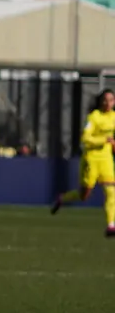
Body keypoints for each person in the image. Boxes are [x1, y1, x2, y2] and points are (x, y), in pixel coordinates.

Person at [52, 88, 115, 236]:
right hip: (91, 159)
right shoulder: (93, 117)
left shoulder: (113, 117)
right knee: (84, 195)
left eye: (111, 100)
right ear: (100, 101)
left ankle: (111, 225)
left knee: (111, 191)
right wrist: (104, 140)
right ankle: (62, 198)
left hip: (106, 159)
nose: (108, 103)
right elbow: (85, 138)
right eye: (105, 100)